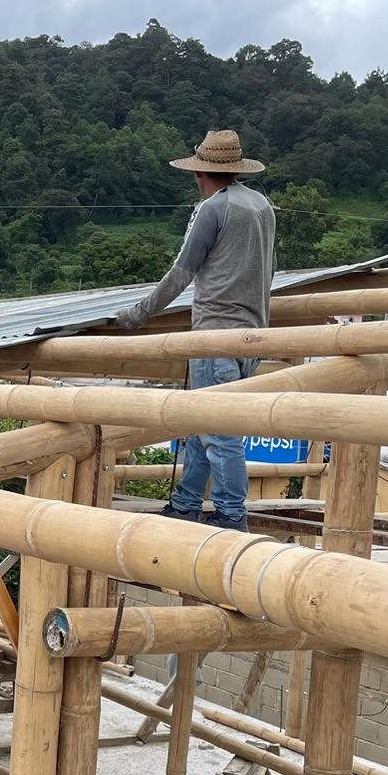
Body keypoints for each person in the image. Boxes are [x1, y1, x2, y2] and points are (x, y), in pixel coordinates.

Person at [114, 128, 277, 532]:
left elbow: (181, 273)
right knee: (203, 422)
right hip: (252, 333)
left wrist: (139, 314)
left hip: (215, 332)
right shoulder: (261, 205)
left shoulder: (214, 209)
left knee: (219, 431)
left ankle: (231, 515)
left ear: (200, 174)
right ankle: (187, 500)